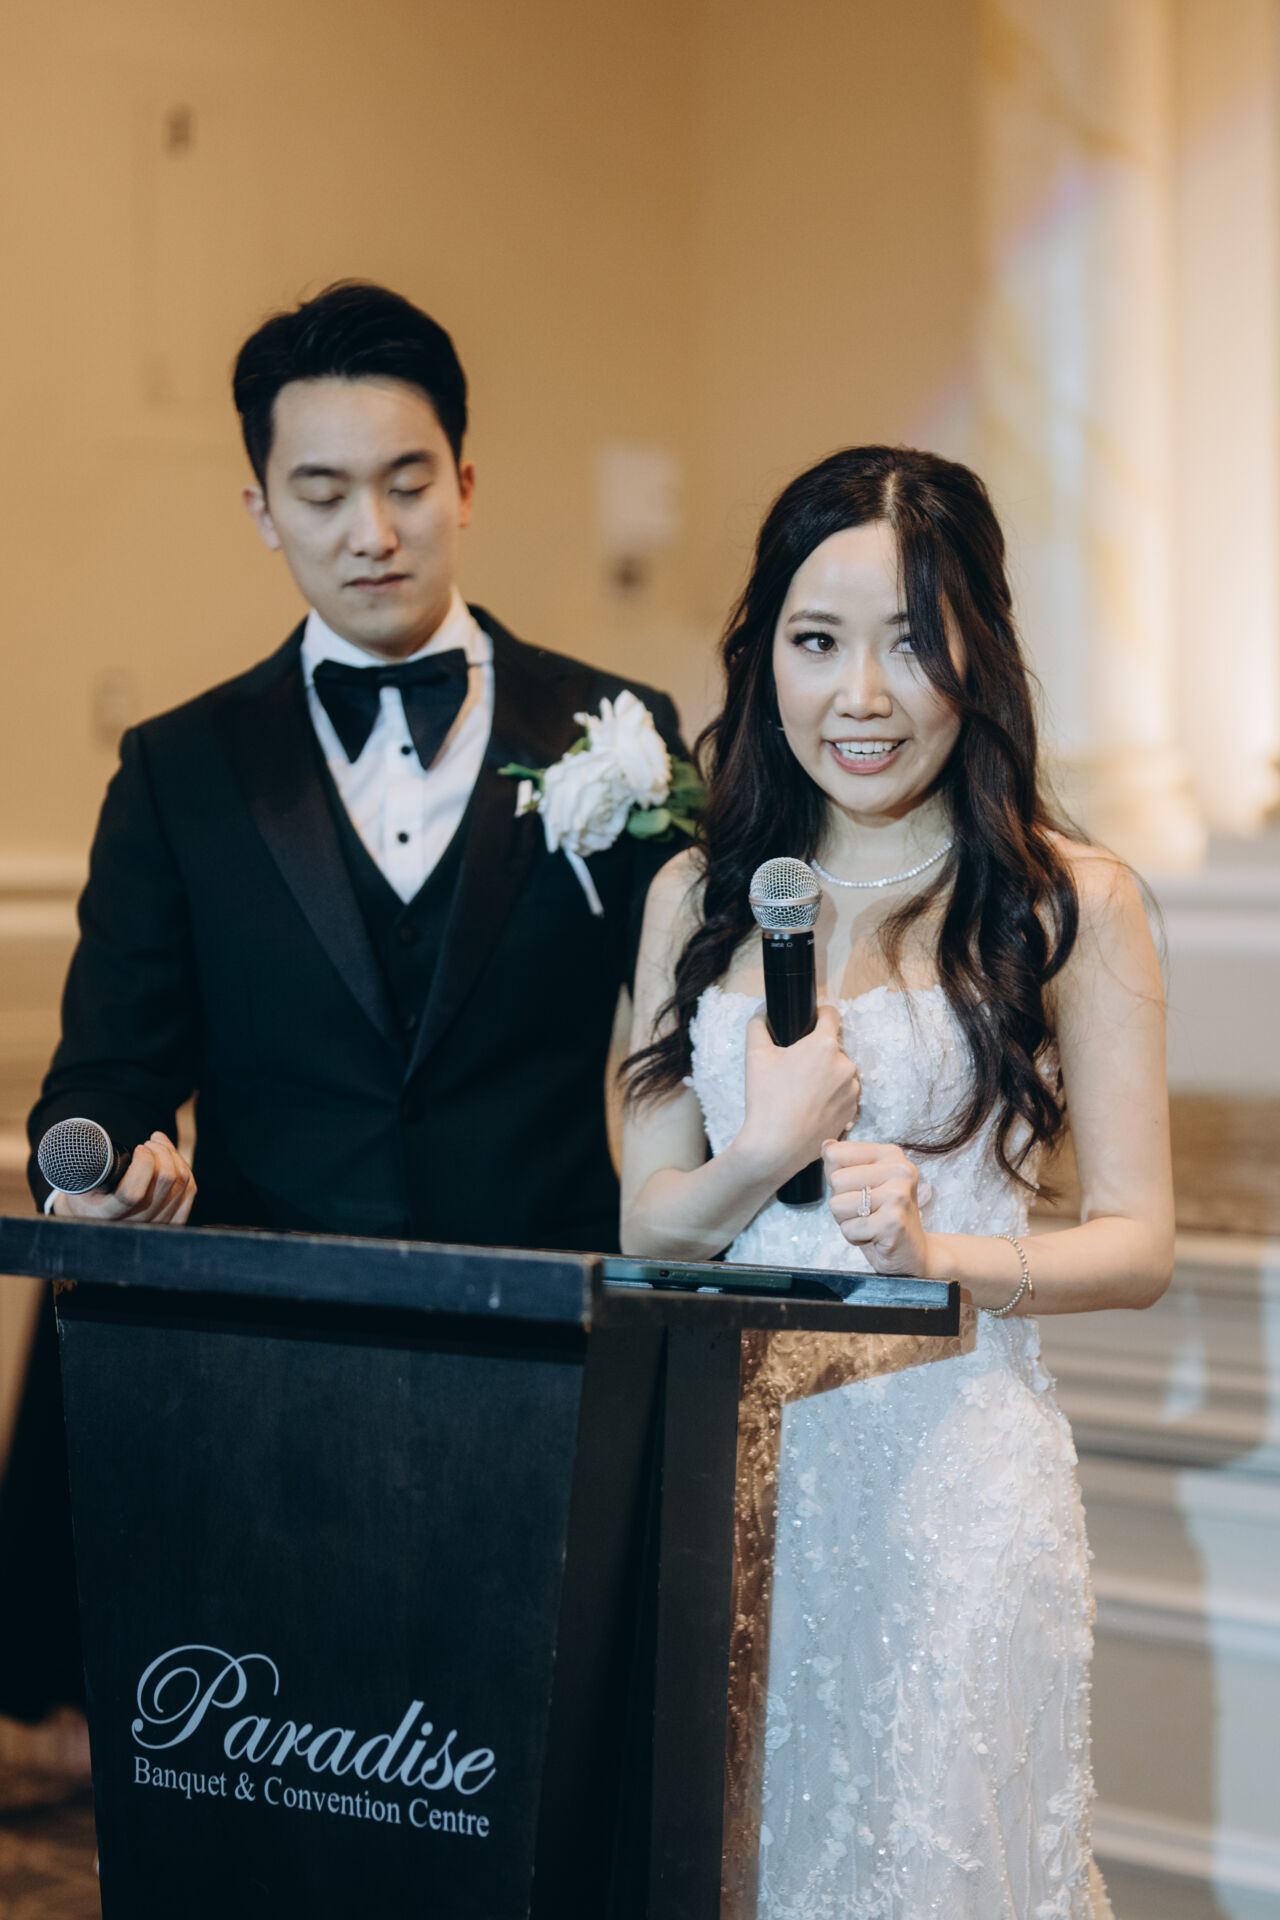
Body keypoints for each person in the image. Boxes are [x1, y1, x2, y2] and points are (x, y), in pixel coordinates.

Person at [621, 446, 1173, 1919]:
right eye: (817, 642)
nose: (860, 696)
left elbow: (1138, 1242)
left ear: (977, 653)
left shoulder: (1068, 900)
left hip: (954, 1480)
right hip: (732, 1479)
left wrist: (941, 1256)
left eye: (913, 643)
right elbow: (647, 1223)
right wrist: (762, 1152)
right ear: (763, 657)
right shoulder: (693, 897)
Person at [26, 280, 684, 1248]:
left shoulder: (617, 730)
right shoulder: (177, 770)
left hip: (550, 1297)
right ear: (263, 511)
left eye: (407, 487)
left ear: (464, 487)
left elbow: (698, 1033)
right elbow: (107, 1076)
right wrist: (92, 1174)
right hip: (266, 1307)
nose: (372, 536)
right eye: (323, 496)